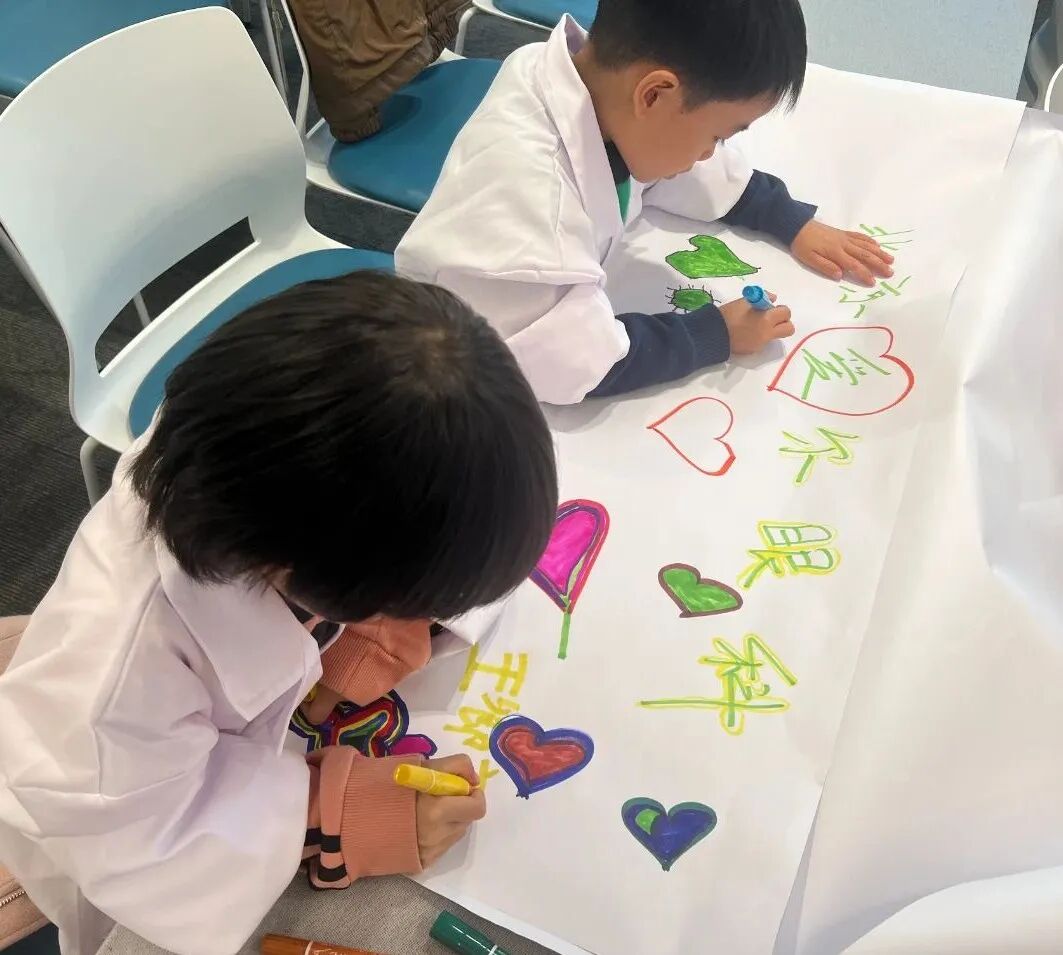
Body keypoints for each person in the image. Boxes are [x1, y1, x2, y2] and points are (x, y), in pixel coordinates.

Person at [0, 272, 558, 955]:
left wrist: (364, 636)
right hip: (100, 841)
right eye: (395, 603)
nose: (412, 624)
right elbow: (152, 847)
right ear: (304, 570)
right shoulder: (115, 690)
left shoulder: (265, 447)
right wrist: (341, 812)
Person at [396, 0, 895, 405]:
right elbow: (578, 363)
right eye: (718, 136)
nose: (709, 154)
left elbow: (680, 166)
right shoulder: (533, 210)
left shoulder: (594, 87)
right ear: (654, 95)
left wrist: (784, 218)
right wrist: (715, 334)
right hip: (439, 373)